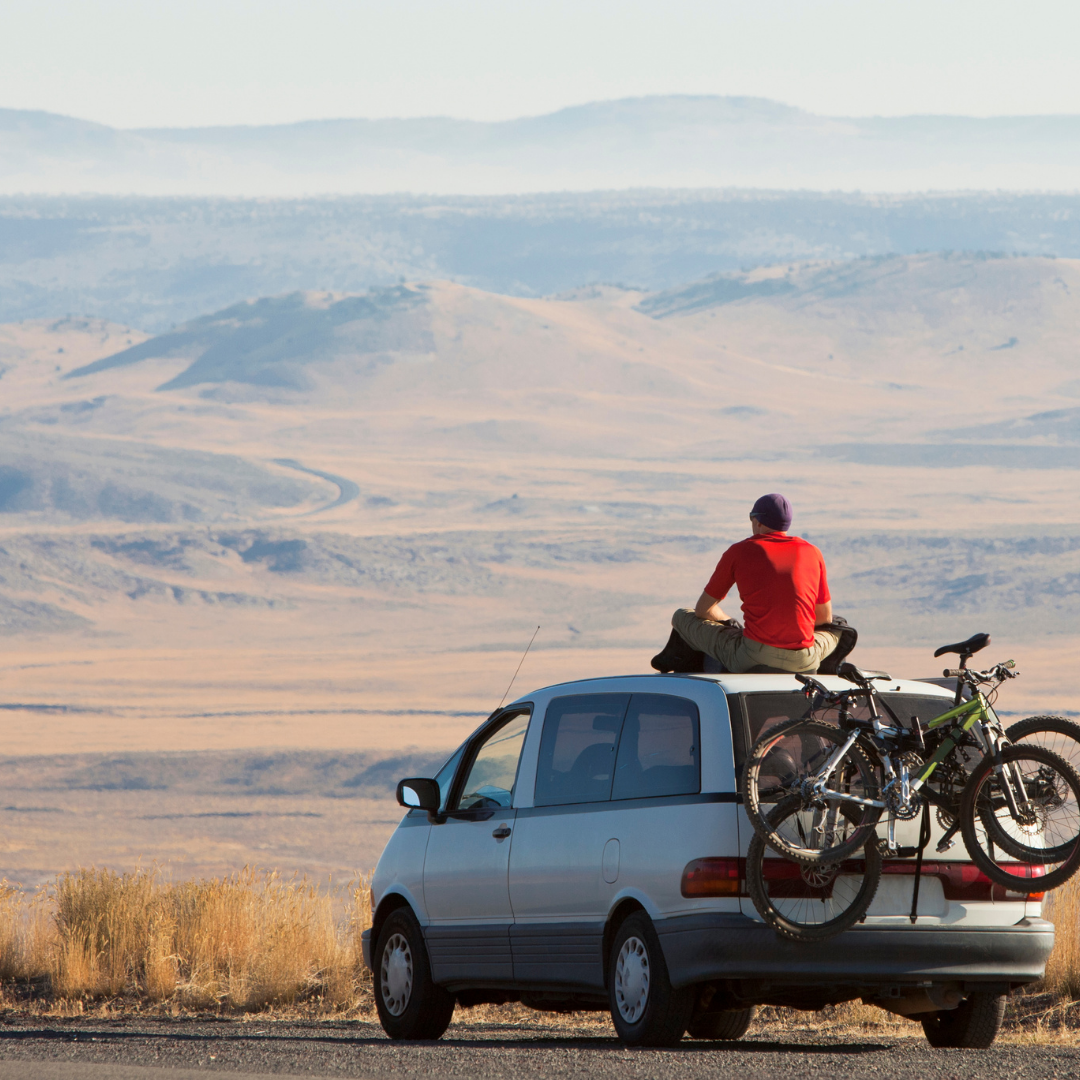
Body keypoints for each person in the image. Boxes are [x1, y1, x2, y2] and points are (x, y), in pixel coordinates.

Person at [652, 493, 845, 675]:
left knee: (682, 616)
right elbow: (823, 618)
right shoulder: (812, 552)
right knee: (839, 627)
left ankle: (682, 672)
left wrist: (729, 623)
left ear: (758, 521)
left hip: (753, 656)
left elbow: (704, 610)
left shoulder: (739, 551)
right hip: (804, 659)